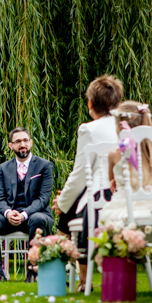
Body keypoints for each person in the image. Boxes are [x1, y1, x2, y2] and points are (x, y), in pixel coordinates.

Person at [52, 75, 123, 291]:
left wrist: (61, 202)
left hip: (101, 195)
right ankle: (79, 276)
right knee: (75, 204)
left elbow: (81, 173)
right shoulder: (130, 126)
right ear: (118, 102)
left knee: (71, 208)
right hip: (126, 194)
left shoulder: (88, 129)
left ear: (90, 104)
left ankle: (79, 276)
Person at [0, 128, 54, 282]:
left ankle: (32, 271)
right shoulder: (3, 168)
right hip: (11, 217)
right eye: (18, 141)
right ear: (10, 146)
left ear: (31, 142)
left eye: (25, 140)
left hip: (35, 215)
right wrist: (8, 213)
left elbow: (43, 198)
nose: (22, 144)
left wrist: (24, 214)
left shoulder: (45, 166)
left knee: (38, 220)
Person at [97, 101, 152, 224]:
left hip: (123, 205)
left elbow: (112, 184)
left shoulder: (114, 153)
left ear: (121, 127)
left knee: (107, 218)